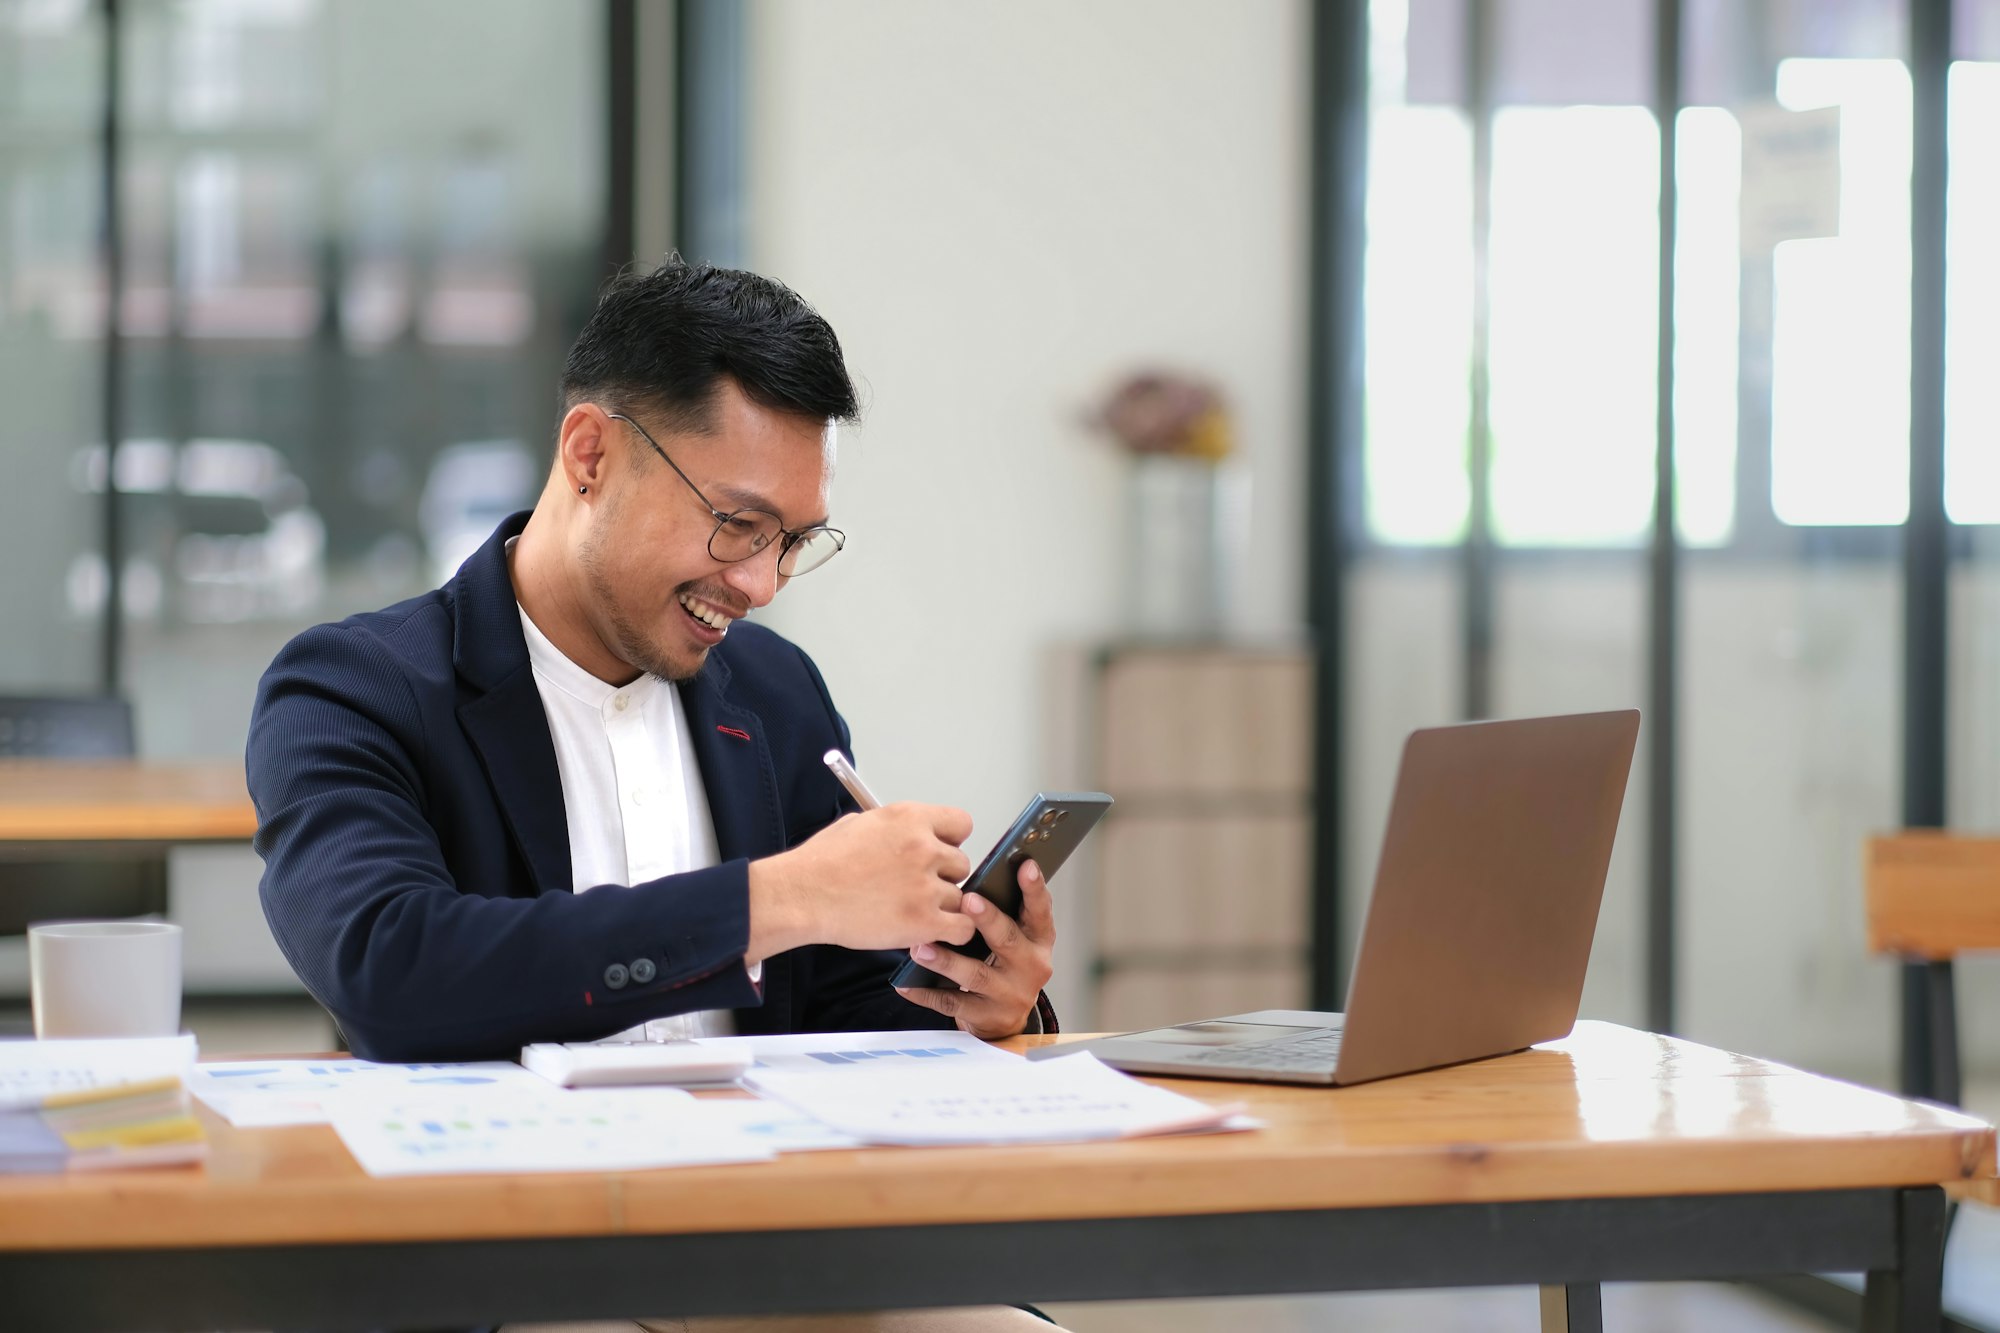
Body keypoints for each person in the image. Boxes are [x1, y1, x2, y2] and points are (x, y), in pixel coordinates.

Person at [247, 258, 1065, 1333]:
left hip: (773, 1248)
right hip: (511, 1264)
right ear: (590, 455)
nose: (760, 582)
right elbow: (391, 968)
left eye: (791, 541)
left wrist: (978, 1001)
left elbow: (843, 1005)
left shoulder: (774, 692)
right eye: (736, 523)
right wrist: (777, 899)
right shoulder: (356, 688)